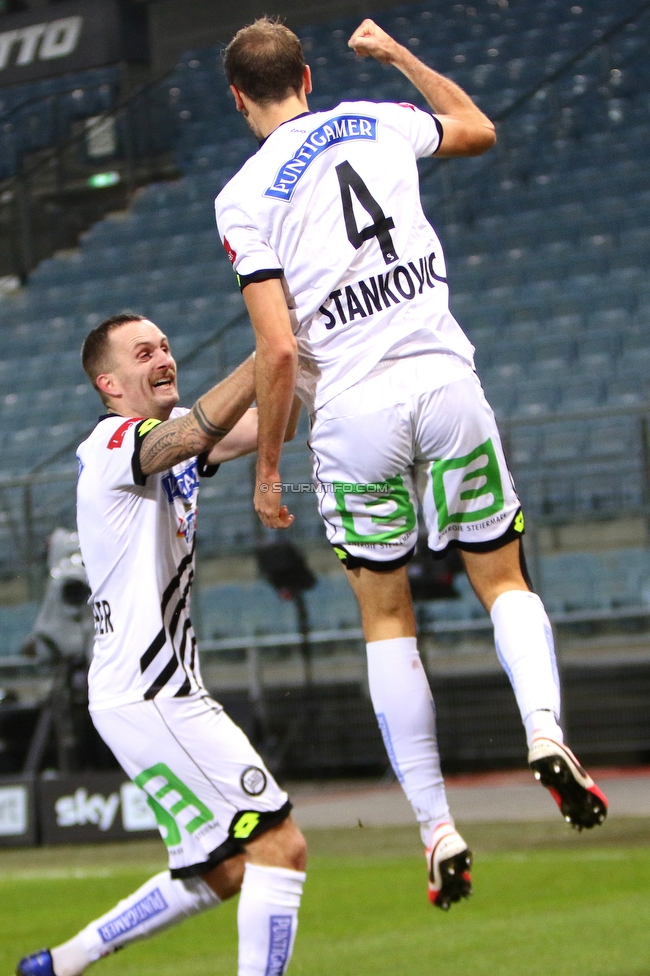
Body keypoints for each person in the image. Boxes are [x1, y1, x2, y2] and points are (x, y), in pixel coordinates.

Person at [215, 17, 608, 909]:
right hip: (443, 379)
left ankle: (436, 827)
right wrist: (396, 57)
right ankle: (545, 729)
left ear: (239, 98)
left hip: (352, 411)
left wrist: (268, 469)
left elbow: (277, 354)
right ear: (308, 76)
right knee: (504, 580)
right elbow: (476, 128)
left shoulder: (242, 195)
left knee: (387, 618)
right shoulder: (375, 118)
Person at [17, 313, 306, 976]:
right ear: (110, 383)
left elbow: (278, 423)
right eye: (144, 352)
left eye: (167, 346)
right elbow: (191, 431)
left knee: (228, 867)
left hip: (147, 691)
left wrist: (299, 356)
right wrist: (269, 343)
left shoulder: (166, 447)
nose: (165, 357)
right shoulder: (115, 442)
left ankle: (60, 963)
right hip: (152, 692)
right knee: (280, 847)